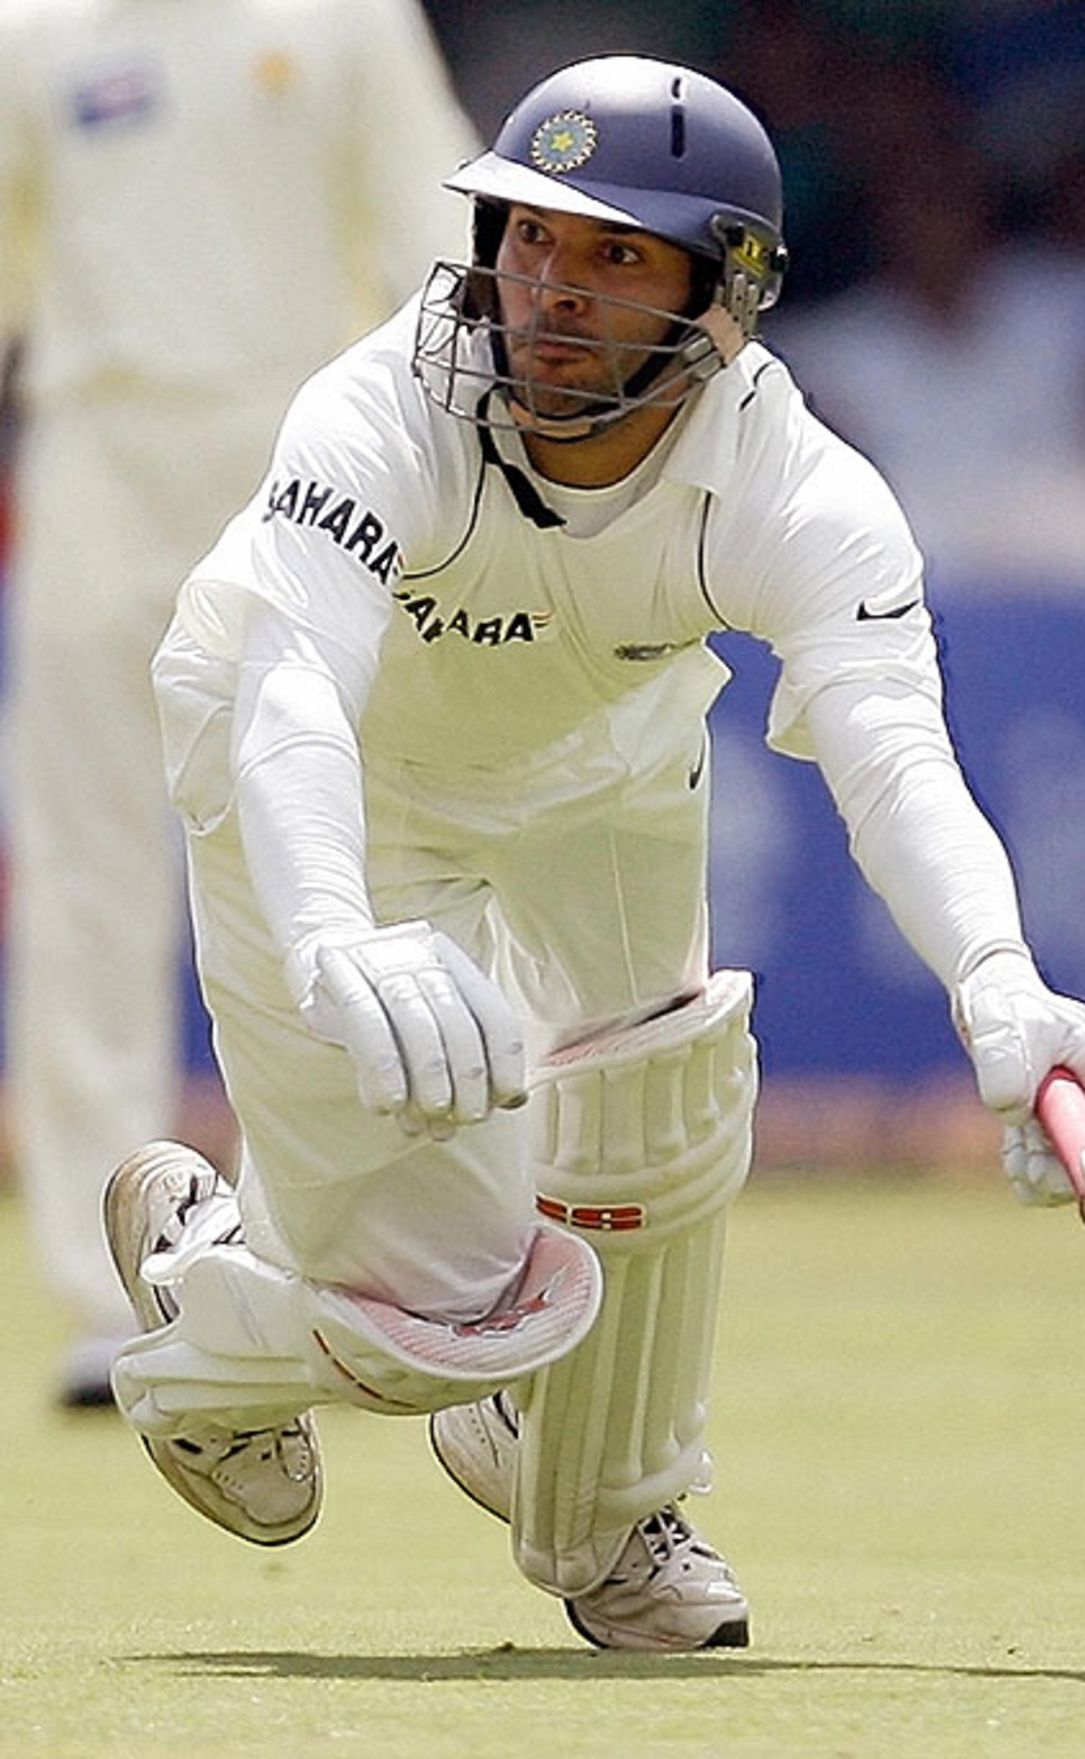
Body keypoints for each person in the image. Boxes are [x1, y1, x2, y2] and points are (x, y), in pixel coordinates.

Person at [102, 55, 1085, 1653]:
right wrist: (331, 929)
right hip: (329, 787)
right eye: (530, 238)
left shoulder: (795, 487)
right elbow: (291, 694)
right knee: (451, 1317)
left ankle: (610, 1514)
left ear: (724, 298)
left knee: (666, 1090)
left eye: (615, 256)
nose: (550, 288)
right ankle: (208, 1304)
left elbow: (894, 756)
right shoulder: (378, 407)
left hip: (602, 763)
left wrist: (1000, 986)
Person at [0, 0, 478, 1407]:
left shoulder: (344, 19)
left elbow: (435, 245)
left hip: (303, 454)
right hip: (96, 453)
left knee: (337, 860)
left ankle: (352, 1262)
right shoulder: (32, 29)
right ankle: (117, 1294)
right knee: (87, 881)